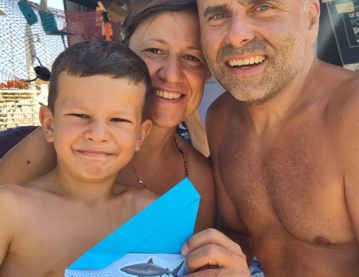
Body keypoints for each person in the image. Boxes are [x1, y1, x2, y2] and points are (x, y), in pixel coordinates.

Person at [160, 0, 359, 277]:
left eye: (262, 7)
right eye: (217, 14)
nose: (237, 34)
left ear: (310, 20)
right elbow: (242, 234)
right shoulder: (222, 118)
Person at [0, 40, 220, 277]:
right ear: (48, 122)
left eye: (118, 119)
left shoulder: (154, 215)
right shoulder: (9, 210)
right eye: (80, 116)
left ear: (140, 134)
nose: (98, 134)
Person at [0, 0, 215, 234]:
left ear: (208, 72)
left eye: (192, 57)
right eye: (154, 50)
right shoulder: (58, 144)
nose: (172, 75)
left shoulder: (196, 178)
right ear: (125, 52)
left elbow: (194, 266)